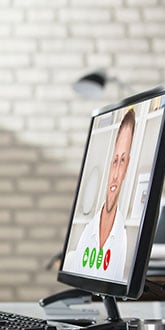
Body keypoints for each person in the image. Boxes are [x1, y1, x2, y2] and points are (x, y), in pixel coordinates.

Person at [67, 109, 135, 282]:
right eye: (114, 162)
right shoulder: (87, 232)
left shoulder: (123, 241)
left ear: (127, 167)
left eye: (122, 162)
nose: (115, 174)